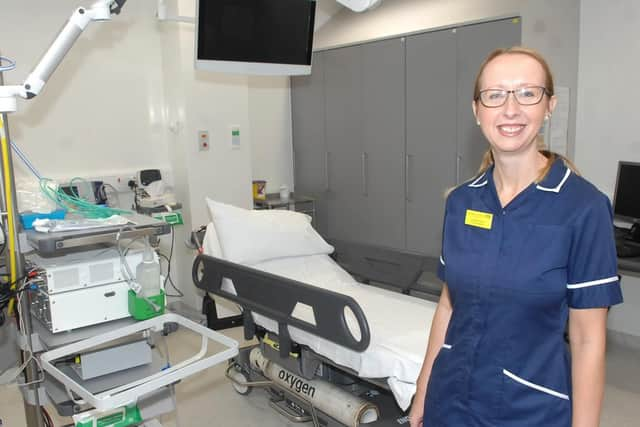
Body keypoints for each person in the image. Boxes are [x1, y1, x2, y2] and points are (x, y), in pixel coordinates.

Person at [408, 46, 623, 427]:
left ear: (549, 106)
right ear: (477, 111)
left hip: (530, 410)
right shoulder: (461, 201)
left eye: (527, 93)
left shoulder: (583, 208)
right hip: (451, 401)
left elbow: (589, 339)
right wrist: (424, 385)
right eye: (495, 95)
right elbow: (448, 305)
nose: (510, 109)